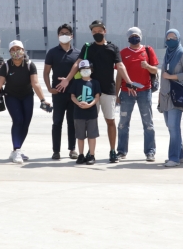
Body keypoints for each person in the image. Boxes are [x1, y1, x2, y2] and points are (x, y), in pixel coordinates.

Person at [56, 20, 139, 162]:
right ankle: (91, 153)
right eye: (94, 32)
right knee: (90, 122)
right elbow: (77, 63)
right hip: (90, 90)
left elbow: (120, 65)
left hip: (108, 90)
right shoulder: (88, 47)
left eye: (99, 31)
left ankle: (113, 151)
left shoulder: (113, 48)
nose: (97, 34)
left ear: (104, 31)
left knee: (110, 121)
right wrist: (68, 79)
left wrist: (129, 81)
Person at [0, 40, 51, 164]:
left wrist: (43, 100)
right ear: (9, 52)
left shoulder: (30, 65)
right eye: (13, 50)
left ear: (23, 50)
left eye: (18, 49)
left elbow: (35, 83)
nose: (16, 52)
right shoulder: (7, 66)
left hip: (27, 96)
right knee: (18, 120)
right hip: (11, 96)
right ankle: (17, 149)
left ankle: (17, 150)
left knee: (26, 123)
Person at [117, 27, 159, 162]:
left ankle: (150, 151)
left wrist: (147, 66)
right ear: (128, 38)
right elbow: (119, 74)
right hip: (126, 91)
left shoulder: (148, 50)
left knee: (148, 123)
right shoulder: (122, 53)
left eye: (136, 35)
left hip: (144, 91)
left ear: (140, 36)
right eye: (131, 35)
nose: (134, 37)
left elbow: (155, 70)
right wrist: (116, 94)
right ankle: (121, 151)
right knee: (123, 123)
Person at [43, 23, 80, 160]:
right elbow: (46, 72)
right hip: (58, 94)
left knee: (72, 122)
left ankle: (72, 149)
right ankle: (56, 151)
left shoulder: (77, 53)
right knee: (57, 122)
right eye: (61, 33)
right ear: (58, 36)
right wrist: (49, 88)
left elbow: (81, 73)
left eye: (66, 33)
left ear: (72, 36)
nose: (64, 36)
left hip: (73, 94)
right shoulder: (52, 52)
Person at [157, 29, 183, 167]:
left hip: (176, 95)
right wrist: (160, 94)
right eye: (168, 37)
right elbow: (162, 76)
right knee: (171, 127)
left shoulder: (181, 53)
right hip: (165, 95)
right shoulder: (168, 53)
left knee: (173, 126)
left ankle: (174, 158)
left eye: (173, 37)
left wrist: (171, 77)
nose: (170, 40)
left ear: (178, 38)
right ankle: (180, 155)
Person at [70, 60, 101, 165]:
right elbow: (72, 96)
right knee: (80, 136)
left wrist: (90, 104)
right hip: (78, 114)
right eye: (82, 69)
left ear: (91, 70)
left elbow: (97, 97)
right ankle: (81, 155)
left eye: (87, 69)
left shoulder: (95, 82)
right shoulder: (76, 82)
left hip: (91, 113)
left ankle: (92, 155)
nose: (85, 71)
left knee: (92, 136)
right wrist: (78, 103)